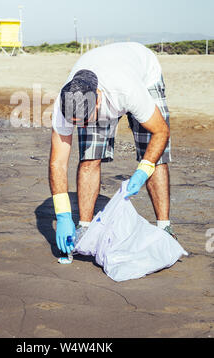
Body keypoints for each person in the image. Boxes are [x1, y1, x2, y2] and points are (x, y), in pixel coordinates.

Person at [49, 42, 176, 255]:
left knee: (156, 156)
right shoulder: (65, 105)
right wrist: (62, 215)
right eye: (75, 122)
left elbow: (161, 132)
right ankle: (84, 228)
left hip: (144, 74)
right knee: (89, 158)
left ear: (97, 100)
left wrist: (143, 170)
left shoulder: (127, 90)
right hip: (102, 72)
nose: (80, 127)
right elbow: (58, 163)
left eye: (84, 120)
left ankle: (165, 227)